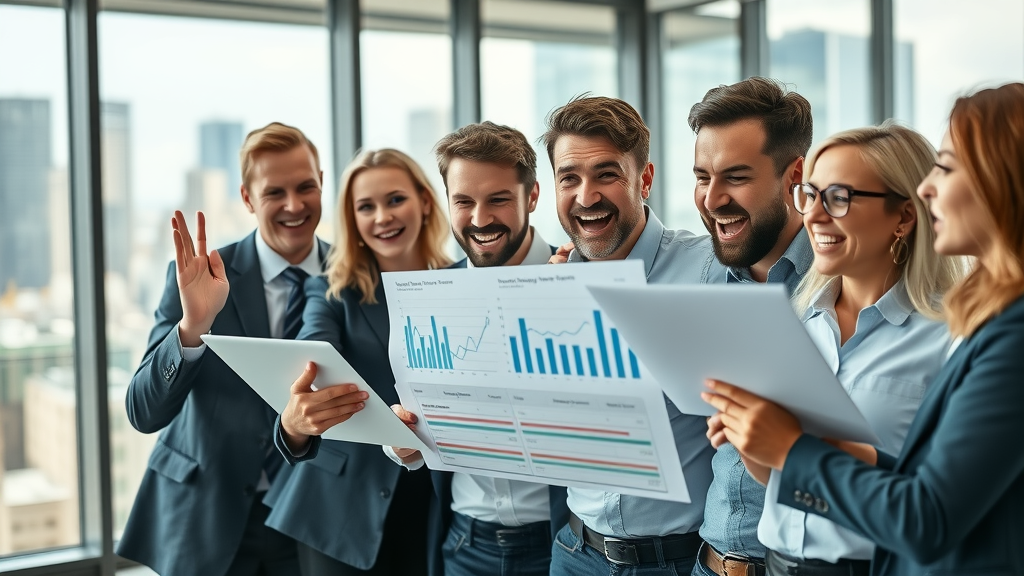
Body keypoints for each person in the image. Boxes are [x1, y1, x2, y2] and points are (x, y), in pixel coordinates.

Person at [702, 82, 1024, 575]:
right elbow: (924, 489)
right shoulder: (795, 319)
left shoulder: (981, 333)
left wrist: (794, 446)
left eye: (950, 167)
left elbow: (928, 516)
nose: (929, 187)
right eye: (810, 194)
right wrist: (766, 440)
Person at [118, 122, 328, 576]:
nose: (294, 205)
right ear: (248, 199)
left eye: (305, 187)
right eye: (275, 192)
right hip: (205, 517)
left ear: (322, 184)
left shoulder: (351, 277)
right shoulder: (202, 275)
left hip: (311, 519)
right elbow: (143, 412)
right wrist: (194, 326)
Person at [539, 94, 724, 576]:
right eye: (569, 178)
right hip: (575, 554)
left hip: (677, 562)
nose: (586, 196)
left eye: (607, 174)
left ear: (644, 178)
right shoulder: (549, 285)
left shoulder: (711, 269)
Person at [386, 121, 568, 576]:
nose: (481, 219)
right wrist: (404, 443)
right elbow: (419, 418)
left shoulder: (578, 278)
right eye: (464, 202)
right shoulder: (427, 297)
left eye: (499, 200)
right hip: (465, 542)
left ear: (532, 197)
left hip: (561, 543)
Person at [263, 148, 452, 576]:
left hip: (434, 502)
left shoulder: (457, 282)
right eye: (366, 206)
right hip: (340, 505)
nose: (382, 216)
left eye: (395, 199)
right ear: (353, 221)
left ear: (424, 201)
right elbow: (312, 360)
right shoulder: (330, 290)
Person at [687, 77, 816, 576]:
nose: (712, 199)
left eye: (735, 177)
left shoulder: (846, 285)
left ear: (794, 176)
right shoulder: (705, 280)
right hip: (708, 562)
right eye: (702, 177)